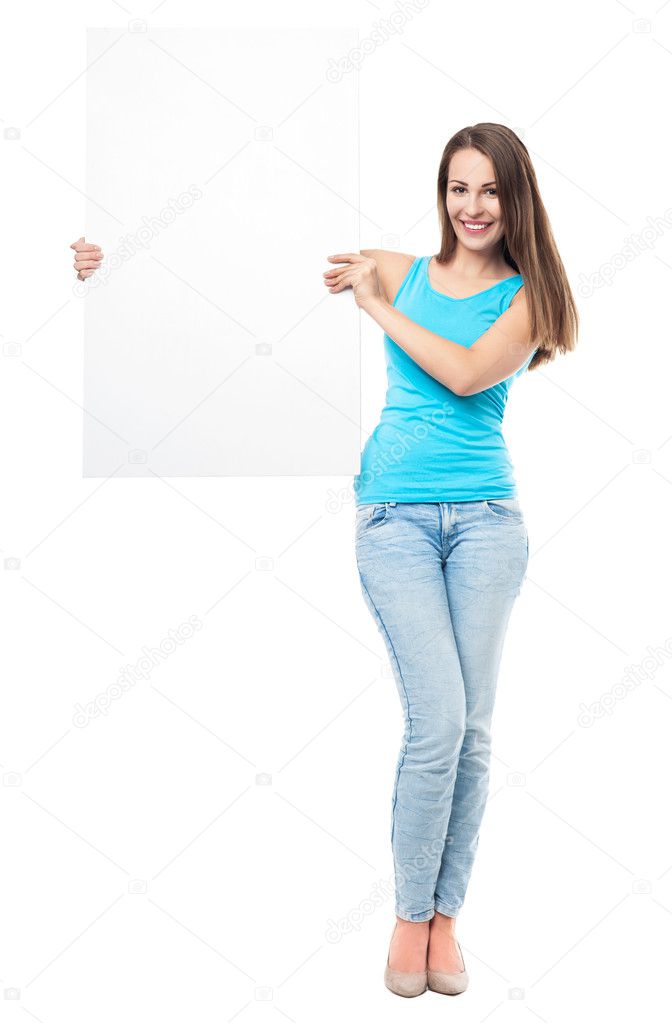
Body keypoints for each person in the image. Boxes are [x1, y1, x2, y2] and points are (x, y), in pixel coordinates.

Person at [322, 123, 578, 997]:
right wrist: (100, 252)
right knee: (436, 723)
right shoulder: (402, 267)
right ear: (443, 195)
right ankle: (407, 915)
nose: (473, 207)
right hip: (392, 514)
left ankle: (444, 920)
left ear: (516, 201)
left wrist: (379, 311)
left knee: (470, 732)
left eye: (491, 191)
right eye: (459, 188)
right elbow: (262, 254)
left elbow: (467, 374)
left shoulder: (528, 298)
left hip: (486, 523)